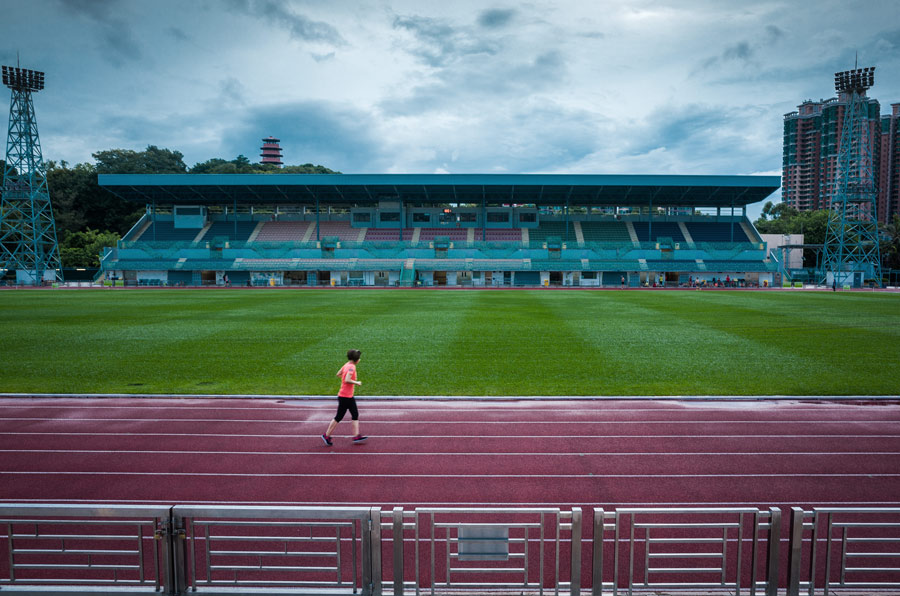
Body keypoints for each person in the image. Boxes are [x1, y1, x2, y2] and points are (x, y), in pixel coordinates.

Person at [322, 349, 367, 445]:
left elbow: (338, 374)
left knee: (355, 414)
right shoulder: (352, 367)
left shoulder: (346, 365)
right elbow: (347, 379)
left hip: (347, 396)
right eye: (359, 358)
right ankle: (326, 435)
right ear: (356, 360)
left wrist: (345, 376)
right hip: (345, 396)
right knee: (339, 417)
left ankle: (356, 436)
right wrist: (356, 382)